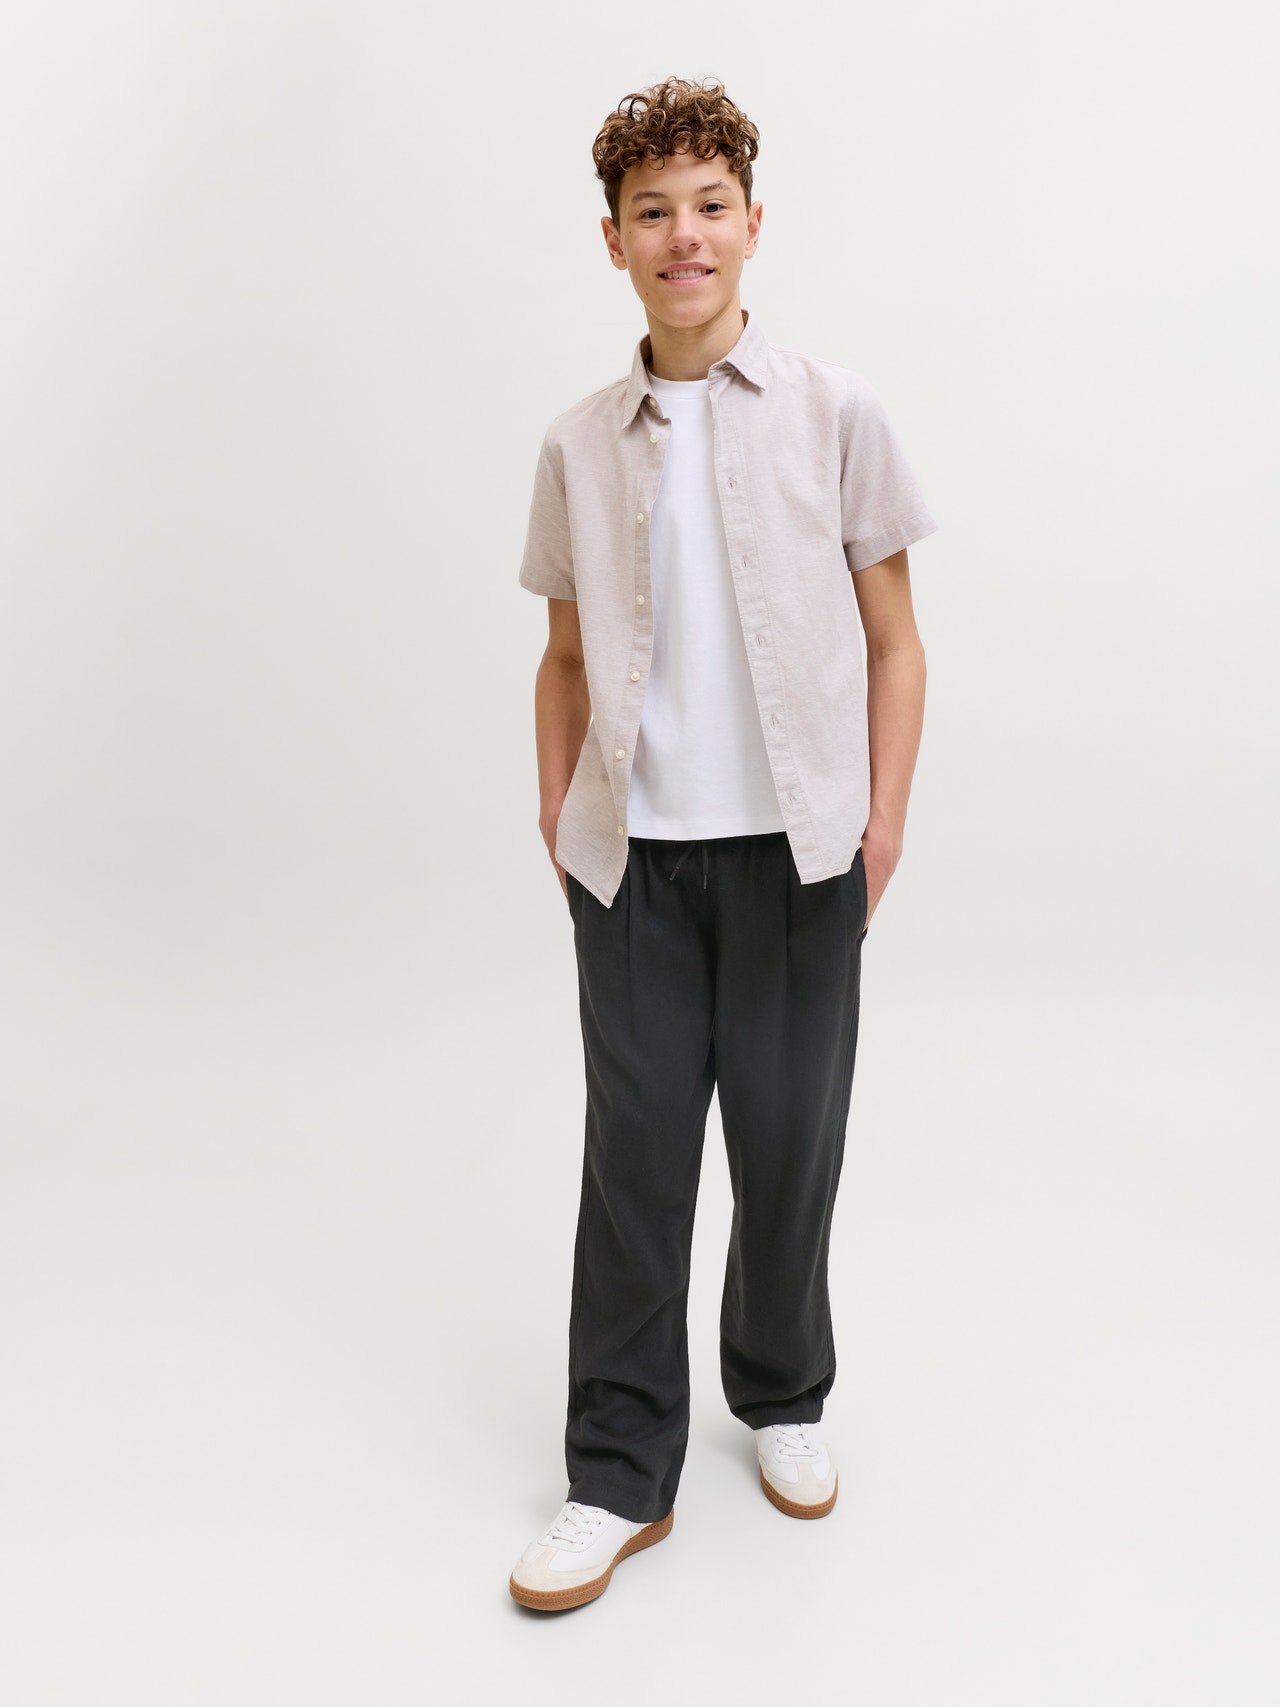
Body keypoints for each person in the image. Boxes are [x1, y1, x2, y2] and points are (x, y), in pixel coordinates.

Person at [508, 76, 938, 1612]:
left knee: (788, 1140)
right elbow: (563, 657)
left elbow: (897, 642)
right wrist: (559, 821)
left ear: (753, 224)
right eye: (652, 212)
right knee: (633, 1165)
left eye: (708, 206)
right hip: (633, 864)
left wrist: (881, 823)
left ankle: (782, 1390)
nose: (682, 236)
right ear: (613, 241)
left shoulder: (836, 411)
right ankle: (618, 1472)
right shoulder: (577, 444)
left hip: (799, 856)